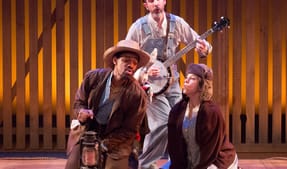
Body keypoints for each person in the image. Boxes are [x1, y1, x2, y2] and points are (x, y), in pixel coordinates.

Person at [125, 0, 212, 168]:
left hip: (172, 85)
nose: (156, 4)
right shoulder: (138, 27)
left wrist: (204, 49)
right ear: (146, 5)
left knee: (183, 122)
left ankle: (182, 162)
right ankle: (146, 164)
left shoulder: (177, 23)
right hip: (151, 88)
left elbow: (200, 43)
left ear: (164, 1)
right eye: (151, 1)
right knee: (163, 123)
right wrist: (143, 73)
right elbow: (127, 57)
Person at [65, 40, 151, 169]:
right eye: (126, 60)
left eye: (134, 63)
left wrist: (104, 145)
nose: (131, 65)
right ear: (115, 60)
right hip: (88, 132)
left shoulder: (137, 95)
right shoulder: (93, 78)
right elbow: (79, 103)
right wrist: (81, 113)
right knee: (74, 165)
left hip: (117, 141)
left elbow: (129, 130)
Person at [168, 63, 238, 169]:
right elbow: (174, 145)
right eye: (186, 77)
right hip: (190, 161)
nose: (186, 80)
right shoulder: (177, 110)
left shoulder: (211, 112)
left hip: (215, 160)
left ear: (202, 85)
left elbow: (210, 150)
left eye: (192, 78)